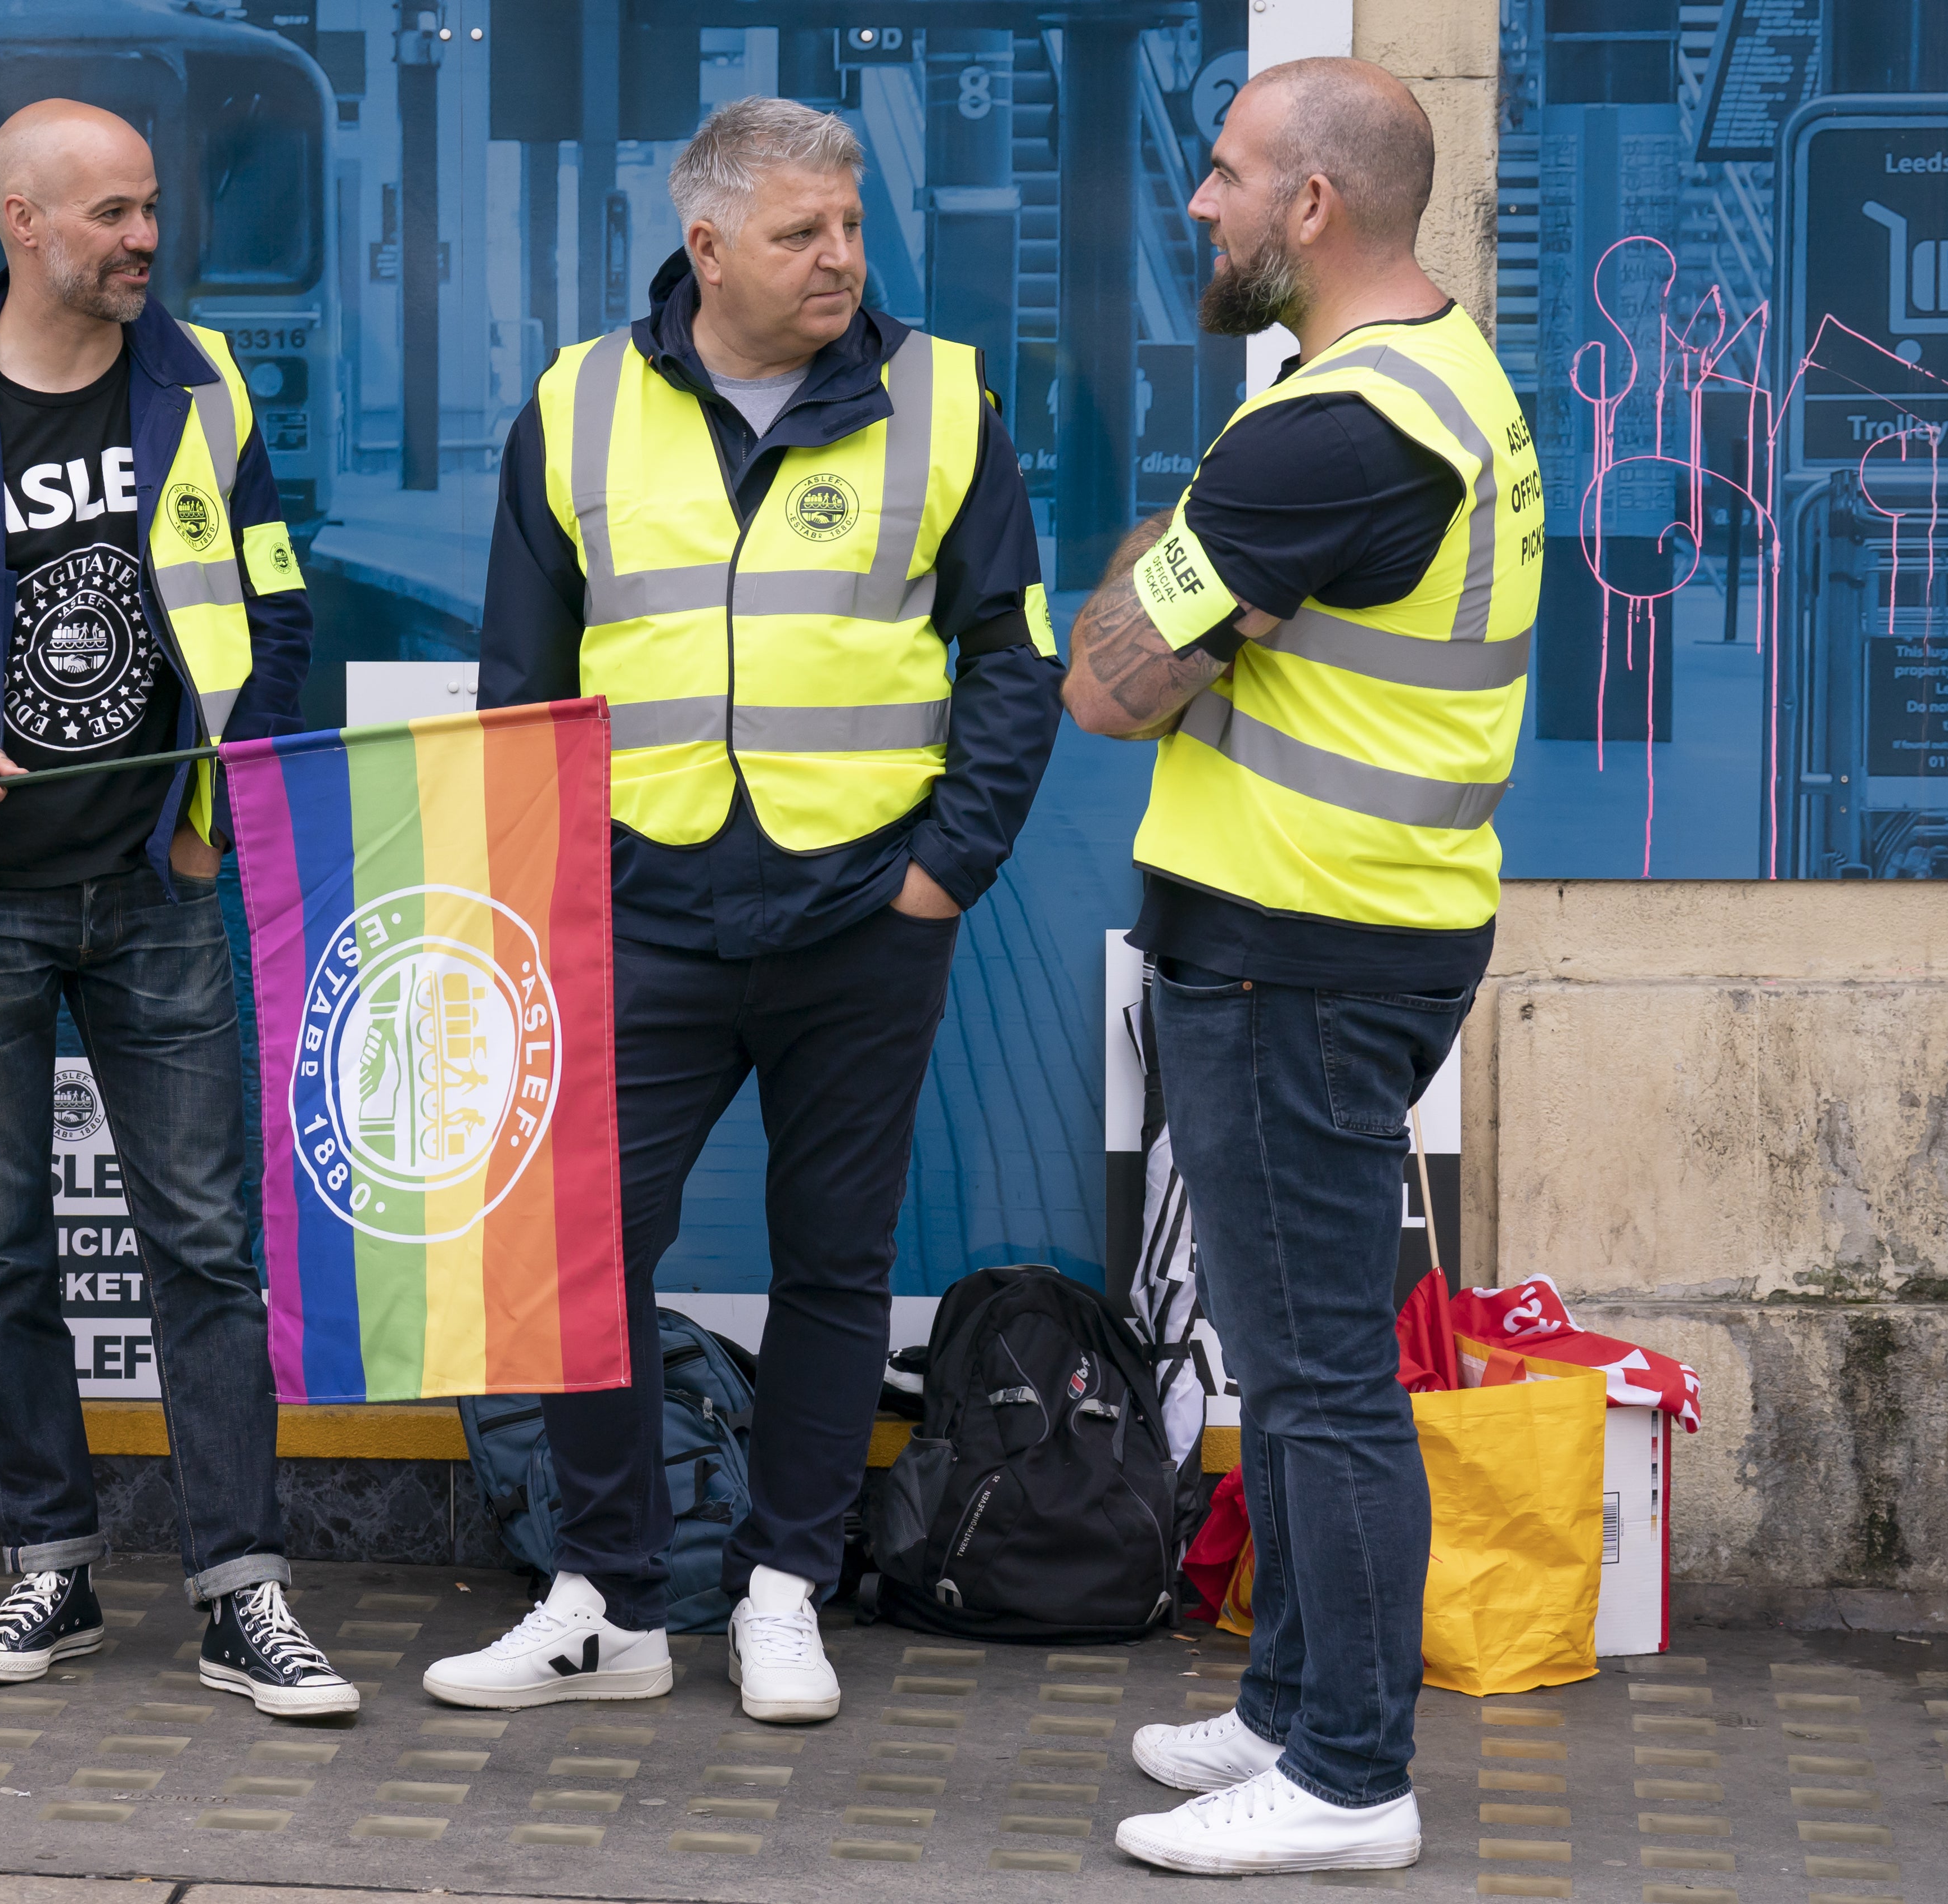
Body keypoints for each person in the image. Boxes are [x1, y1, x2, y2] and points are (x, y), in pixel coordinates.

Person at [427, 96, 1061, 1722]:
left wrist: (945, 871)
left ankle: (786, 1588)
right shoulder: (577, 407)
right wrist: (538, 908)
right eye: (801, 234)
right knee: (584, 1260)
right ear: (706, 246)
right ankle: (610, 1601)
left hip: (865, 912)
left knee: (835, 1264)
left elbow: (1013, 658)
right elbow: (522, 689)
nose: (839, 258)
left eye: (851, 227)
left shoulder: (943, 399)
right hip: (639, 910)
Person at [0, 101, 349, 1714]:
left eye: (153, 208)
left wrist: (205, 815)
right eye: (112, 215)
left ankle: (246, 1592)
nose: (145, 239)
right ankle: (52, 1570)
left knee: (205, 1251)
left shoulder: (204, 382)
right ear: (23, 224)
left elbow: (277, 605)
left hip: (157, 893)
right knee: (4, 1250)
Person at [1063, 58, 1541, 1876]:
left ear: (1315, 208)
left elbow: (1111, 684)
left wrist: (1183, 582)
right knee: (1302, 1361)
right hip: (1362, 924)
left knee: (1323, 1378)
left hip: (1299, 952)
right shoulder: (1443, 379)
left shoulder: (1323, 436)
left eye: (1228, 169)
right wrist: (1201, 586)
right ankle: (1284, 1706)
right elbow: (1176, 629)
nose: (1201, 200)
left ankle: (1350, 1775)